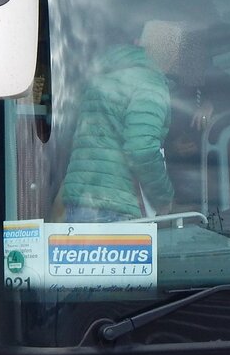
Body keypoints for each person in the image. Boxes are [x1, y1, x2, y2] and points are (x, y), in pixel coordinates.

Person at [59, 21, 181, 222]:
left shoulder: (101, 76)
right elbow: (141, 149)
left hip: (80, 200)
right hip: (117, 206)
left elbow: (70, 132)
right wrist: (163, 197)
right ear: (173, 56)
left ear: (139, 44)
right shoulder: (149, 84)